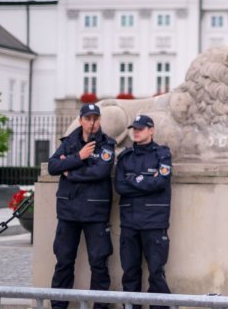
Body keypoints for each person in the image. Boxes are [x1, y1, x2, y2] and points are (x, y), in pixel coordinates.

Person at [48, 103, 116, 309]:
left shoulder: (106, 144)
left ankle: (100, 306)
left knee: (99, 263)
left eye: (95, 118)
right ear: (81, 120)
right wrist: (79, 157)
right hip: (69, 213)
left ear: (100, 120)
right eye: (88, 118)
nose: (92, 122)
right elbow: (53, 166)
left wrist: (70, 171)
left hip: (95, 213)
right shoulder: (69, 143)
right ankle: (58, 305)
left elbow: (100, 173)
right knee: (64, 261)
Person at [115, 114, 173, 308]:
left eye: (140, 129)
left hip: (154, 223)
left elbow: (161, 181)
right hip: (130, 223)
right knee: (130, 273)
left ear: (151, 130)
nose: (136, 132)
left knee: (156, 273)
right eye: (134, 129)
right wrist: (145, 181)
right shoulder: (125, 157)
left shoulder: (162, 154)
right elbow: (120, 187)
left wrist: (134, 180)